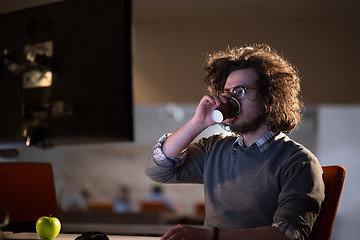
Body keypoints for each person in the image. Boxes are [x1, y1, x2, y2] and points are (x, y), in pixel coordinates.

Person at [145, 43, 325, 240]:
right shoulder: (214, 148)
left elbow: (286, 235)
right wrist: (197, 123)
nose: (230, 100)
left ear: (270, 98)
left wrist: (210, 237)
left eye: (240, 91)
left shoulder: (299, 161)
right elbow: (157, 170)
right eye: (227, 92)